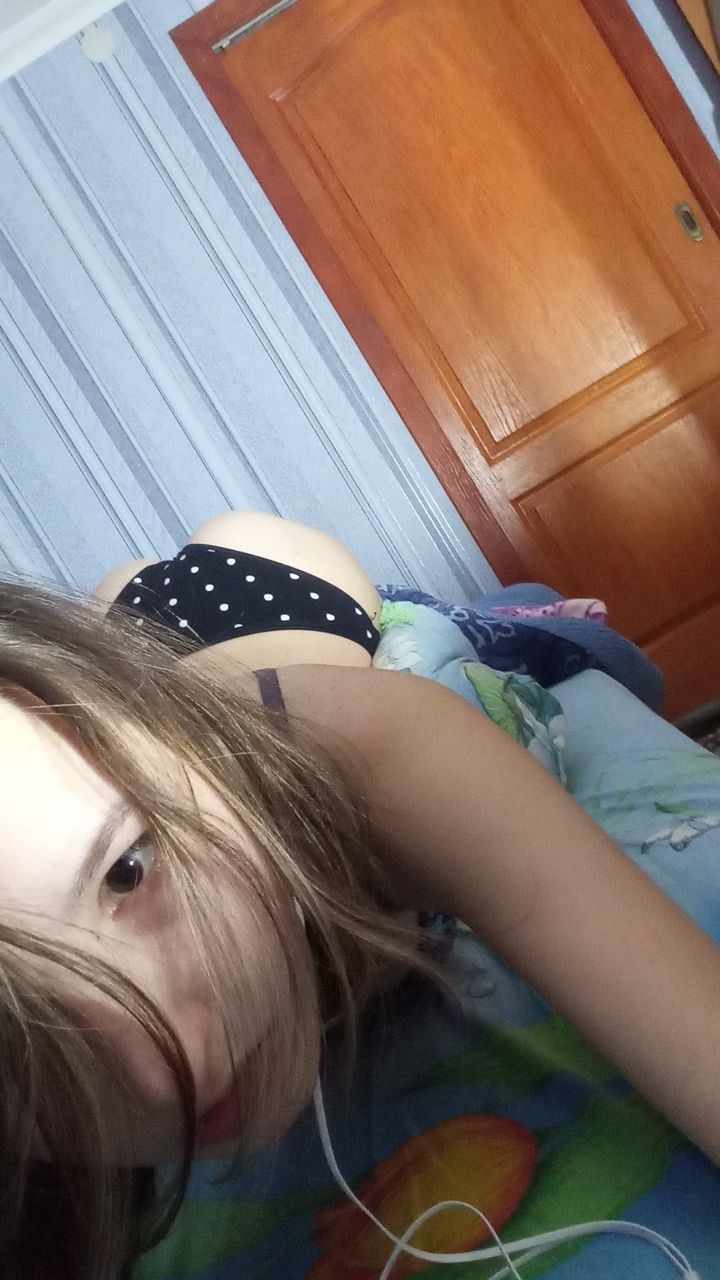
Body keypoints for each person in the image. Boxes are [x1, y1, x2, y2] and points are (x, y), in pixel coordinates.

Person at [0, 512, 719, 1280]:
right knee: (111, 610)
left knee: (210, 556)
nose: (165, 1076)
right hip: (139, 677)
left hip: (261, 602)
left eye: (128, 871)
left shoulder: (373, 757)